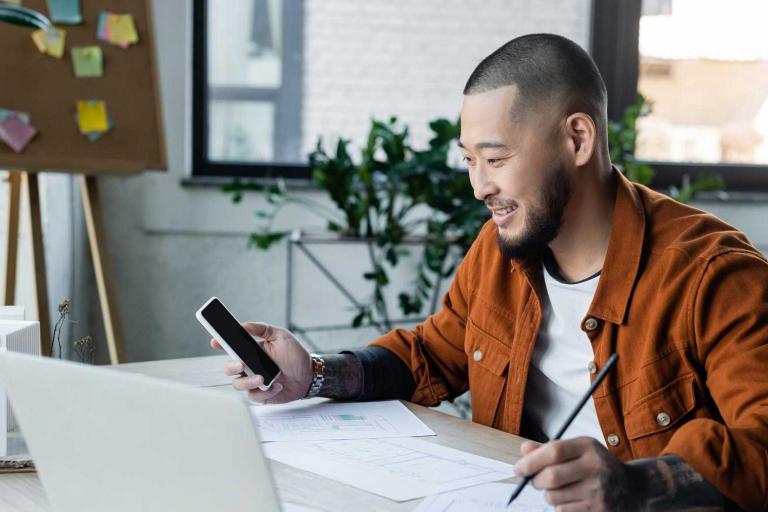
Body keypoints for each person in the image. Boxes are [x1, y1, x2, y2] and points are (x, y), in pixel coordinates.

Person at [212, 34, 767, 510]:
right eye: (469, 161)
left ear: (578, 138)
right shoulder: (501, 249)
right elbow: (431, 353)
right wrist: (310, 373)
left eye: (496, 159)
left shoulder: (712, 276)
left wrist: (632, 485)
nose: (480, 187)